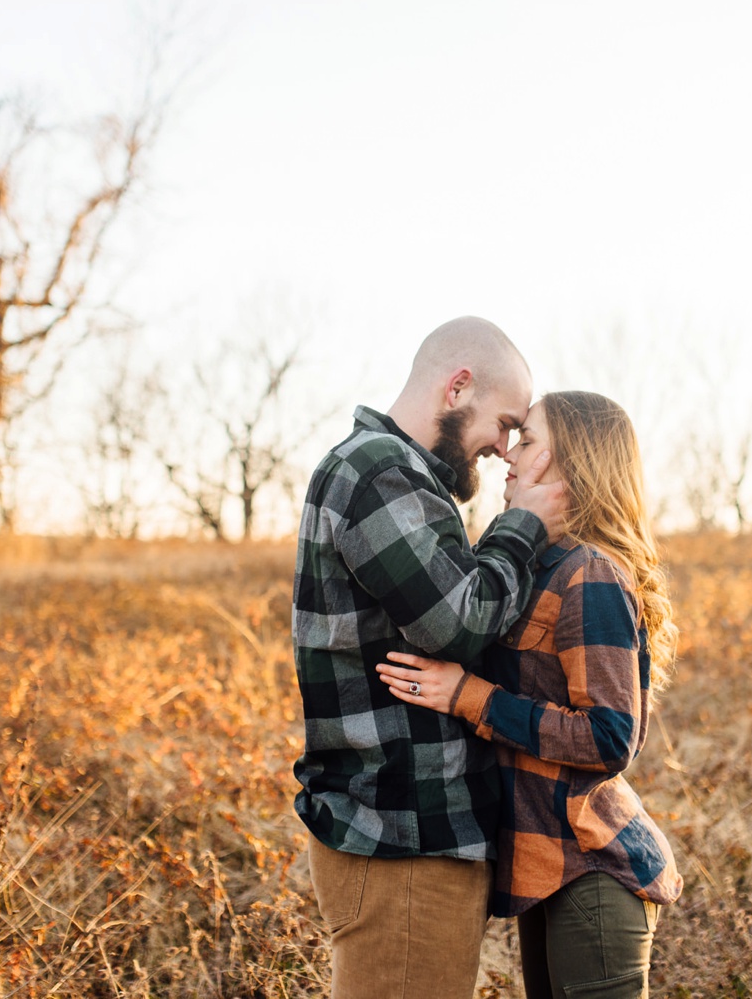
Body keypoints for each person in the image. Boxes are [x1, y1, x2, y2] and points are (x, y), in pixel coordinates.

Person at [291, 316, 568, 999]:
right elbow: (459, 621)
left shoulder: (407, 479)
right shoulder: (377, 472)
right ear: (458, 387)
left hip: (413, 835)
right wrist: (524, 525)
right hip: (402, 838)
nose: (504, 448)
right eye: (503, 423)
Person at [377, 390, 682, 999]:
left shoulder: (589, 571)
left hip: (592, 869)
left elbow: (610, 736)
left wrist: (470, 696)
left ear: (574, 460)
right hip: (547, 869)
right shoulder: (534, 562)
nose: (508, 455)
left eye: (530, 440)